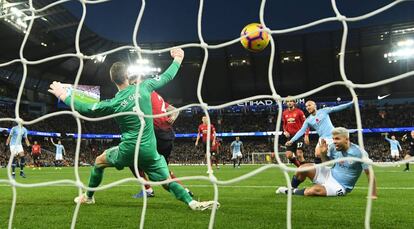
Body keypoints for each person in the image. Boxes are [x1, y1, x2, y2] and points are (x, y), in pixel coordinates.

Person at [48, 48, 218, 210]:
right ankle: (192, 202)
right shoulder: (144, 87)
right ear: (128, 76)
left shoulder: (113, 103)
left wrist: (63, 94)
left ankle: (89, 197)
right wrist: (178, 58)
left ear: (113, 80)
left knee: (99, 162)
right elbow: (167, 76)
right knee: (167, 180)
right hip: (150, 150)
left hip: (128, 150)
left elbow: (85, 108)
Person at [277, 127, 377, 199]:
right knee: (303, 167)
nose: (334, 141)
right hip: (329, 174)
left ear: (346, 139)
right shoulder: (333, 147)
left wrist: (372, 194)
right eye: (333, 139)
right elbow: (326, 163)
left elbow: (369, 173)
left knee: (313, 191)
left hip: (340, 186)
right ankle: (292, 187)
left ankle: (289, 191)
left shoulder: (359, 153)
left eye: (337, 139)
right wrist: (323, 154)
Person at [130, 91, 193, 198]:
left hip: (156, 134)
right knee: (162, 168)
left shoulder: (142, 93)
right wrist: (172, 117)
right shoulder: (157, 97)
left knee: (133, 160)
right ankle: (185, 191)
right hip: (167, 135)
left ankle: (148, 190)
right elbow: (175, 110)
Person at [286, 100, 354, 164]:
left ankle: (349, 161)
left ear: (315, 105)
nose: (307, 107)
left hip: (333, 136)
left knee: (339, 157)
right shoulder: (308, 120)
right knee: (317, 154)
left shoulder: (324, 111)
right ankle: (320, 174)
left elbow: (338, 108)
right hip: (322, 138)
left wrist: (352, 102)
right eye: (306, 106)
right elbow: (301, 131)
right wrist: (292, 140)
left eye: (309, 105)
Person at [282, 98, 309, 167]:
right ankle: (300, 167)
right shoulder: (284, 113)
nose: (289, 103)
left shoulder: (299, 112)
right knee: (289, 155)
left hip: (299, 136)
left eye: (291, 101)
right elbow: (284, 124)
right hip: (290, 137)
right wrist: (285, 131)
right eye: (287, 101)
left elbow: (306, 124)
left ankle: (305, 170)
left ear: (294, 102)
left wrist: (306, 135)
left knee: (299, 154)